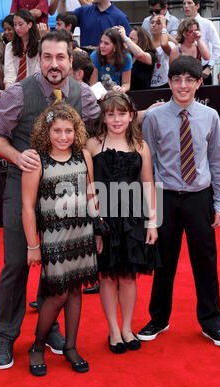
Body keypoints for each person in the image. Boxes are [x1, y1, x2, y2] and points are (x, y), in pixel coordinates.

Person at [0, 30, 100, 370]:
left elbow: (102, 125)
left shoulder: (83, 93)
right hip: (24, 189)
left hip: (66, 197)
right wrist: (17, 156)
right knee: (18, 263)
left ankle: (48, 329)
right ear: (39, 59)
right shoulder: (19, 93)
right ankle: (5, 336)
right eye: (47, 57)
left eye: (60, 57)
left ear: (71, 57)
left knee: (59, 269)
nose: (53, 64)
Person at [139, 55, 220, 347]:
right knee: (162, 262)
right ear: (169, 82)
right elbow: (148, 165)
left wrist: (219, 201)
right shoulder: (154, 118)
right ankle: (159, 318)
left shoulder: (210, 117)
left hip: (199, 198)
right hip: (166, 197)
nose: (183, 85)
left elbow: (218, 161)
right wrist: (150, 210)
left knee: (205, 262)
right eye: (177, 79)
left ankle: (212, 323)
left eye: (189, 80)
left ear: (199, 83)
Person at [22, 103, 100, 376]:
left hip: (82, 235)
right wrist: (33, 246)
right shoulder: (36, 162)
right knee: (58, 294)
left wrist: (98, 231)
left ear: (76, 131)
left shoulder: (84, 156)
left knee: (77, 290)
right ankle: (38, 346)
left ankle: (70, 346)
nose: (63, 136)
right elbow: (27, 208)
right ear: (47, 131)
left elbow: (92, 196)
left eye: (69, 130)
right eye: (57, 130)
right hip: (54, 238)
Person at [86, 91, 160, 353]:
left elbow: (149, 184)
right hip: (104, 219)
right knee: (107, 275)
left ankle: (127, 327)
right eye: (111, 114)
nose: (116, 119)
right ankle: (113, 330)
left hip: (133, 218)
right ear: (104, 117)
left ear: (131, 116)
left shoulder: (141, 146)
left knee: (129, 277)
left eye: (121, 113)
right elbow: (89, 188)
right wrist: (95, 225)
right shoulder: (92, 145)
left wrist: (153, 222)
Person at [58, 0, 131, 48]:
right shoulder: (83, 11)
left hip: (108, 67)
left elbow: (126, 47)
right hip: (85, 64)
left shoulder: (121, 18)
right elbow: (62, 20)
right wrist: (62, 1)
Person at [183, 0, 220, 85]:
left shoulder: (207, 23)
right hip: (185, 68)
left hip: (203, 69)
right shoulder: (182, 24)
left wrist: (209, 67)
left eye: (189, 3)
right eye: (184, 3)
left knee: (205, 98)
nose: (186, 6)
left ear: (197, 6)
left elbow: (218, 47)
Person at [4, 9, 40, 88]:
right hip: (15, 89)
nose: (17, 28)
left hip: (35, 89)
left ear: (29, 24)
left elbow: (38, 74)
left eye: (20, 24)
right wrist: (8, 90)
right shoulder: (10, 46)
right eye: (15, 24)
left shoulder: (39, 45)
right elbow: (9, 74)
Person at [90, 27, 132, 92]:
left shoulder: (126, 57)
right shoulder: (95, 56)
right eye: (101, 42)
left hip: (117, 94)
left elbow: (126, 83)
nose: (101, 46)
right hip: (99, 94)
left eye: (106, 43)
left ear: (115, 46)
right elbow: (93, 84)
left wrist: (122, 89)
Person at [116, 25, 157, 90]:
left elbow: (140, 55)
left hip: (142, 96)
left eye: (131, 39)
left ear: (141, 41)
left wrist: (125, 37)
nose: (128, 41)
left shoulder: (150, 54)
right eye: (129, 38)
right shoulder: (127, 56)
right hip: (125, 95)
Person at [149, 14, 175, 88]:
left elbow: (164, 44)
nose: (154, 25)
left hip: (164, 84)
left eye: (158, 23)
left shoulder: (170, 44)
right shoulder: (146, 43)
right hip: (148, 83)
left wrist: (164, 25)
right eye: (152, 22)